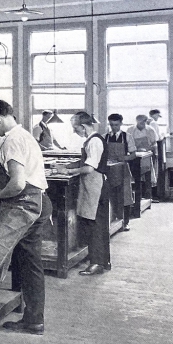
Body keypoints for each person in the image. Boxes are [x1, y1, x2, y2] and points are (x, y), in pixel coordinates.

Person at [0, 99, 51, 335]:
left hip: (23, 204)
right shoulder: (25, 135)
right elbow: (7, 176)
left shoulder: (12, 140)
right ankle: (34, 320)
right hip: (38, 202)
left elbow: (17, 183)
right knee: (31, 264)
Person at [75, 112, 111, 276]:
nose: (75, 132)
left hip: (95, 186)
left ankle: (97, 263)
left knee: (95, 225)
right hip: (93, 185)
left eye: (75, 128)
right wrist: (69, 167)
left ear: (83, 126)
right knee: (94, 224)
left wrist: (73, 170)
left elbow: (89, 168)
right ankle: (99, 260)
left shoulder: (94, 141)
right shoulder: (91, 140)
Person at [104, 113, 136, 230]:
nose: (114, 127)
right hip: (109, 171)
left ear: (121, 123)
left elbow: (133, 155)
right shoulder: (105, 137)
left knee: (125, 196)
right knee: (110, 196)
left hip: (123, 170)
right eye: (112, 125)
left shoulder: (127, 137)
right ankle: (111, 221)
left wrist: (123, 158)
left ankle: (125, 222)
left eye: (116, 125)